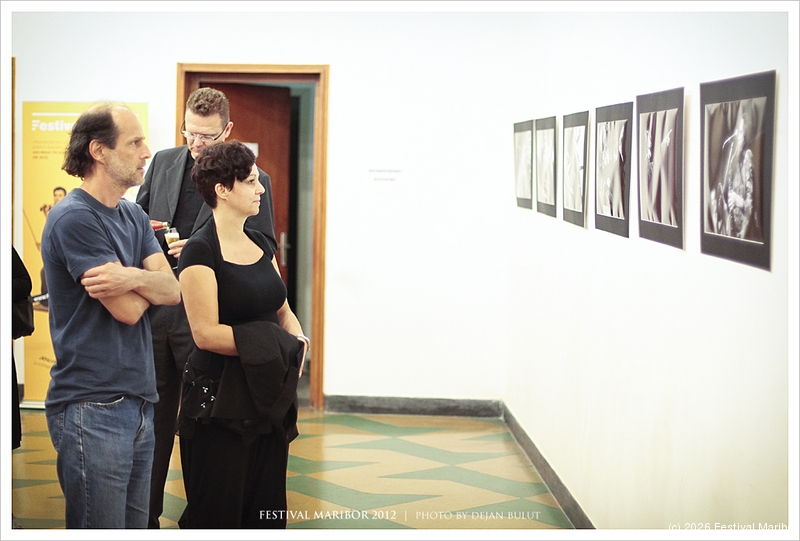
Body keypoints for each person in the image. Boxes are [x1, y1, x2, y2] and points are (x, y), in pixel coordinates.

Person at [135, 86, 277, 528]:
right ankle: (145, 517)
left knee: (204, 423)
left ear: (227, 130)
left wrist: (201, 250)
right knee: (152, 419)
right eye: (190, 132)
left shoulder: (254, 179)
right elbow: (137, 223)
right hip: (158, 311)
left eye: (206, 136)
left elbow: (264, 245)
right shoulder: (163, 162)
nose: (196, 143)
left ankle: (205, 516)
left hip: (210, 314)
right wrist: (153, 239)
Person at [40, 103, 181, 529]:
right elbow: (128, 309)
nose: (146, 152)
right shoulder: (74, 218)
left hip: (139, 401)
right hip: (92, 405)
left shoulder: (133, 214)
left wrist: (130, 276)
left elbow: (173, 291)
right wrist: (148, 283)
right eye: (135, 142)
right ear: (99, 151)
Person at [177, 141, 307, 528]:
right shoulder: (199, 251)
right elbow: (205, 334)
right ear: (222, 189)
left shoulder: (262, 243)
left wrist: (298, 341)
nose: (260, 188)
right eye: (250, 181)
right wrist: (278, 349)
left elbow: (282, 310)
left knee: (265, 507)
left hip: (266, 393)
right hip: (219, 399)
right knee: (219, 510)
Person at [36, 186, 67, 309]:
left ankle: (48, 300)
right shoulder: (55, 212)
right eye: (55, 195)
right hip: (57, 249)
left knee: (46, 271)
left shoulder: (66, 211)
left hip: (65, 251)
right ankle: (47, 300)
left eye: (60, 195)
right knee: (44, 271)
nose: (57, 198)